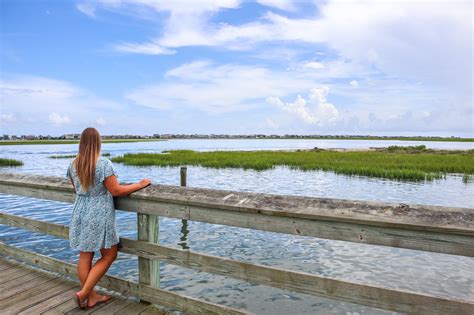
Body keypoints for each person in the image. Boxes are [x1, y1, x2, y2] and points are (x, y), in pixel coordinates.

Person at [66, 127, 150, 309]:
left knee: (85, 255)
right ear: (98, 142)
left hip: (80, 211)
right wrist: (140, 184)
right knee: (109, 254)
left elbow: (77, 189)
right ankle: (84, 294)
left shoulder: (74, 164)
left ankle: (92, 296)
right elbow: (116, 190)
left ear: (81, 143)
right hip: (99, 213)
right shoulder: (104, 164)